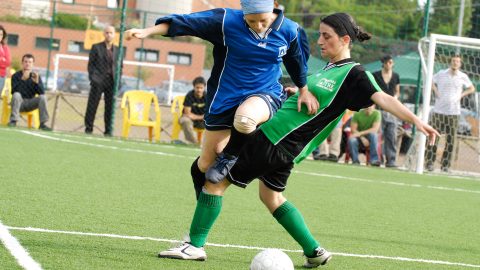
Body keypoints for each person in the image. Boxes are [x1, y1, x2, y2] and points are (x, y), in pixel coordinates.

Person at [157, 12, 439, 268]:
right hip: (286, 147)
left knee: (214, 180)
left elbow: (382, 98)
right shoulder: (329, 69)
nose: (319, 41)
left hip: (274, 140)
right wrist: (295, 93)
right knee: (271, 196)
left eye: (326, 36)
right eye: (319, 34)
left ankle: (194, 246)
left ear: (344, 39)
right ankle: (314, 251)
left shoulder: (354, 73)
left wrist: (416, 121)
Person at [125, 0, 318, 199]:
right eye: (252, 21)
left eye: (263, 20)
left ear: (273, 9)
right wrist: (146, 31)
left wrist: (303, 90)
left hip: (266, 92)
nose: (259, 26)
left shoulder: (290, 30)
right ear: (243, 13)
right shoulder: (226, 21)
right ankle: (203, 200)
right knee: (205, 164)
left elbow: (296, 63)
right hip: (225, 96)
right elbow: (185, 22)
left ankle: (230, 156)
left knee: (245, 118)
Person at [425, 55, 475, 172]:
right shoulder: (442, 73)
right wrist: (436, 91)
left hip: (454, 112)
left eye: (457, 61)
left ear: (460, 64)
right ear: (450, 62)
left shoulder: (463, 76)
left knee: (451, 140)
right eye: (453, 61)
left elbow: (472, 88)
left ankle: (445, 165)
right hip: (438, 110)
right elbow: (430, 81)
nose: (455, 63)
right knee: (433, 137)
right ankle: (429, 163)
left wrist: (461, 95)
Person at [85, 25, 121, 136]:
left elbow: (120, 67)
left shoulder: (118, 50)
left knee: (109, 107)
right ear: (103, 34)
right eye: (107, 32)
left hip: (111, 82)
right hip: (98, 81)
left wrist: (118, 81)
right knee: (92, 105)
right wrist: (93, 78)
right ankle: (88, 129)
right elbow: (90, 65)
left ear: (114, 35)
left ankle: (108, 130)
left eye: (111, 33)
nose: (109, 35)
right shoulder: (96, 47)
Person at [8, 54, 51, 131]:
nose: (27, 64)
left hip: (30, 103)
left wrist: (37, 83)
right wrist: (23, 79)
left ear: (32, 64)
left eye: (30, 62)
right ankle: (13, 121)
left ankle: (42, 124)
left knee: (43, 97)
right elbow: (13, 92)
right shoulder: (16, 76)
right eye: (26, 62)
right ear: (22, 63)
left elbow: (42, 93)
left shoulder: (35, 76)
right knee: (17, 94)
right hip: (18, 103)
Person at [373, 55, 400, 167]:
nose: (389, 64)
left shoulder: (396, 76)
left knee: (391, 135)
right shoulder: (376, 75)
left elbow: (397, 91)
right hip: (378, 109)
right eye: (387, 62)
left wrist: (395, 99)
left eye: (391, 62)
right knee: (378, 136)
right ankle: (377, 159)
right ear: (383, 63)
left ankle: (391, 160)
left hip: (392, 110)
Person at [179, 76, 206, 144]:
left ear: (204, 87)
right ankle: (194, 143)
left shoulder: (208, 96)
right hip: (190, 119)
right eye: (197, 87)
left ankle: (210, 145)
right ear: (194, 87)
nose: (199, 90)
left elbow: (209, 113)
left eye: (201, 88)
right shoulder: (189, 95)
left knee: (216, 121)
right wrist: (201, 116)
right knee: (185, 120)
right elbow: (187, 113)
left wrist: (199, 117)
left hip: (203, 120)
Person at [0, 25, 11, 92]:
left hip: (1, 76)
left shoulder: (5, 48)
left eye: (1, 34)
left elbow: (8, 62)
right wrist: (2, 59)